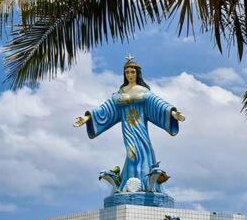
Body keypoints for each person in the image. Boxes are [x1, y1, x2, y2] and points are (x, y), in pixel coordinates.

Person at [74, 55, 185, 192]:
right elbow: (106, 109)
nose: (130, 75)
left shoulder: (144, 91)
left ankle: (142, 184)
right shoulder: (121, 93)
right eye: (127, 72)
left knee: (142, 153)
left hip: (140, 129)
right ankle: (132, 184)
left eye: (132, 72)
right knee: (132, 154)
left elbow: (158, 105)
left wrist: (173, 113)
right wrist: (87, 118)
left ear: (137, 73)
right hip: (128, 129)